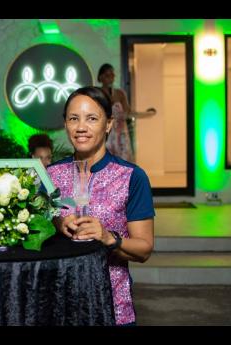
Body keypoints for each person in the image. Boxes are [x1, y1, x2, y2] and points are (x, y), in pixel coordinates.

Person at [47, 86, 155, 326]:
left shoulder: (131, 177)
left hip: (112, 305)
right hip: (56, 304)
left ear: (108, 124)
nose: (81, 127)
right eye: (73, 118)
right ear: (65, 123)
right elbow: (36, 230)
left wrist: (109, 238)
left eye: (92, 118)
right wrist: (57, 222)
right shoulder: (49, 175)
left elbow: (144, 248)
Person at [97, 63, 156, 163]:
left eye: (113, 75)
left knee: (122, 166)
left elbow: (128, 112)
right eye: (107, 75)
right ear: (101, 77)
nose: (111, 78)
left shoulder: (120, 93)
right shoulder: (96, 93)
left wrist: (147, 114)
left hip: (120, 136)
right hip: (105, 134)